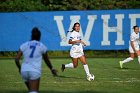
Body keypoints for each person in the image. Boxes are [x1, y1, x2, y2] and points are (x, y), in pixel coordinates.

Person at [15, 27, 57, 93]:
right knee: (34, 91)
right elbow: (46, 60)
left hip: (24, 71)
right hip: (34, 71)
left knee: (32, 90)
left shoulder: (24, 45)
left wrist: (20, 68)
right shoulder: (42, 46)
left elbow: (17, 59)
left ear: (31, 35)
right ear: (39, 37)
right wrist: (52, 69)